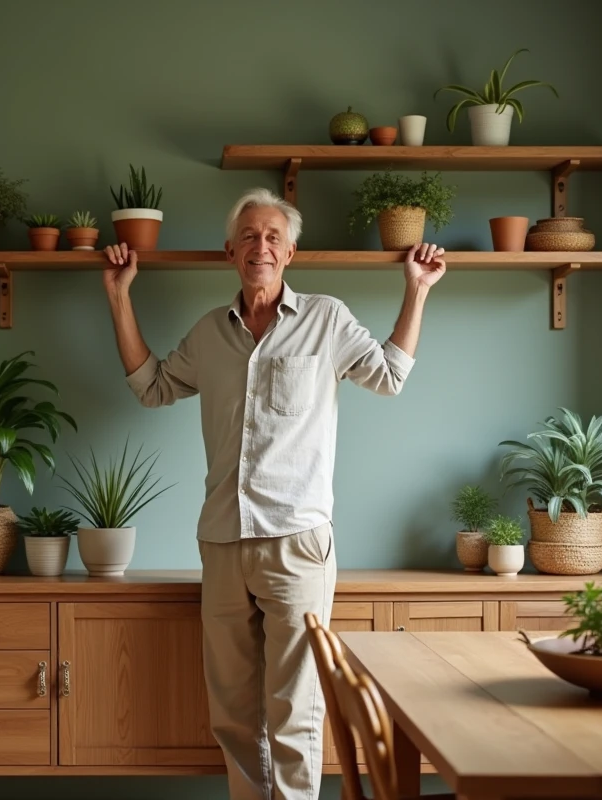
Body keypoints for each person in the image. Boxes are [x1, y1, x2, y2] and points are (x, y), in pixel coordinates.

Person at [101, 187, 445, 800]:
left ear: (290, 252)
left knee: (296, 710)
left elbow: (389, 376)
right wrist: (119, 297)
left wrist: (416, 291)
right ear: (230, 251)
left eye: (273, 237)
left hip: (297, 547)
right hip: (223, 544)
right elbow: (151, 386)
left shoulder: (327, 319)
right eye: (250, 236)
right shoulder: (209, 334)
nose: (261, 246)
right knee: (232, 714)